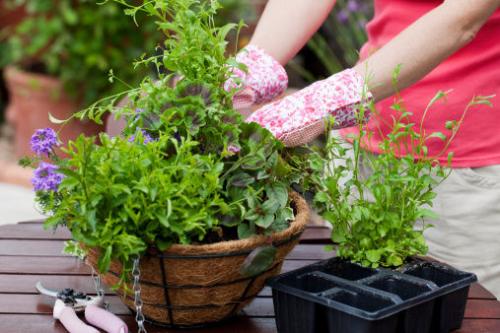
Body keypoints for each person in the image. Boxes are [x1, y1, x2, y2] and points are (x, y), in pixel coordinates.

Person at [232, 0, 500, 298]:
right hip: (360, 149)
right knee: (349, 306)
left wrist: (328, 100)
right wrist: (251, 68)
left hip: (462, 170)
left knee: (468, 312)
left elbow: (463, 17)